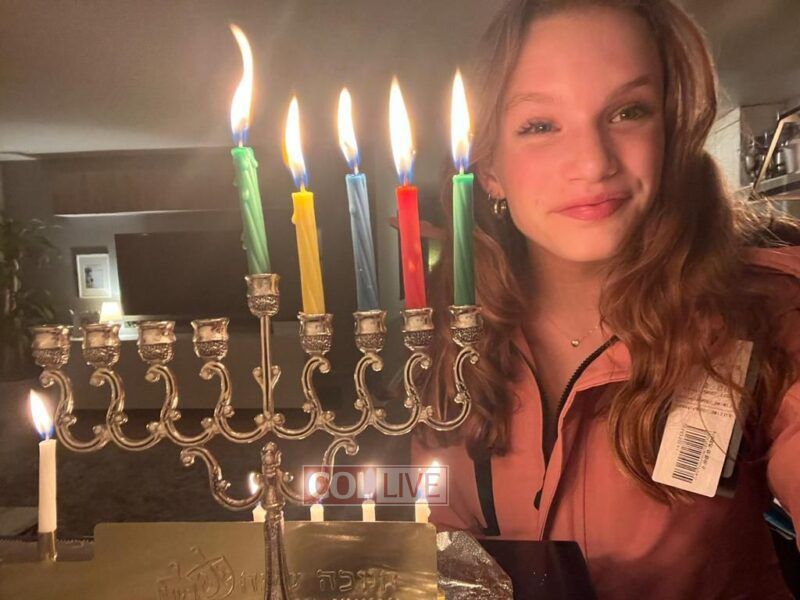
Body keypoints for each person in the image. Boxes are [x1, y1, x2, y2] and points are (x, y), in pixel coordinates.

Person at [412, 0, 800, 598]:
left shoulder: (766, 310)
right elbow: (431, 536)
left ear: (669, 133)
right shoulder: (450, 328)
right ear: (488, 168)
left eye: (628, 112)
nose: (594, 163)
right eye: (540, 126)